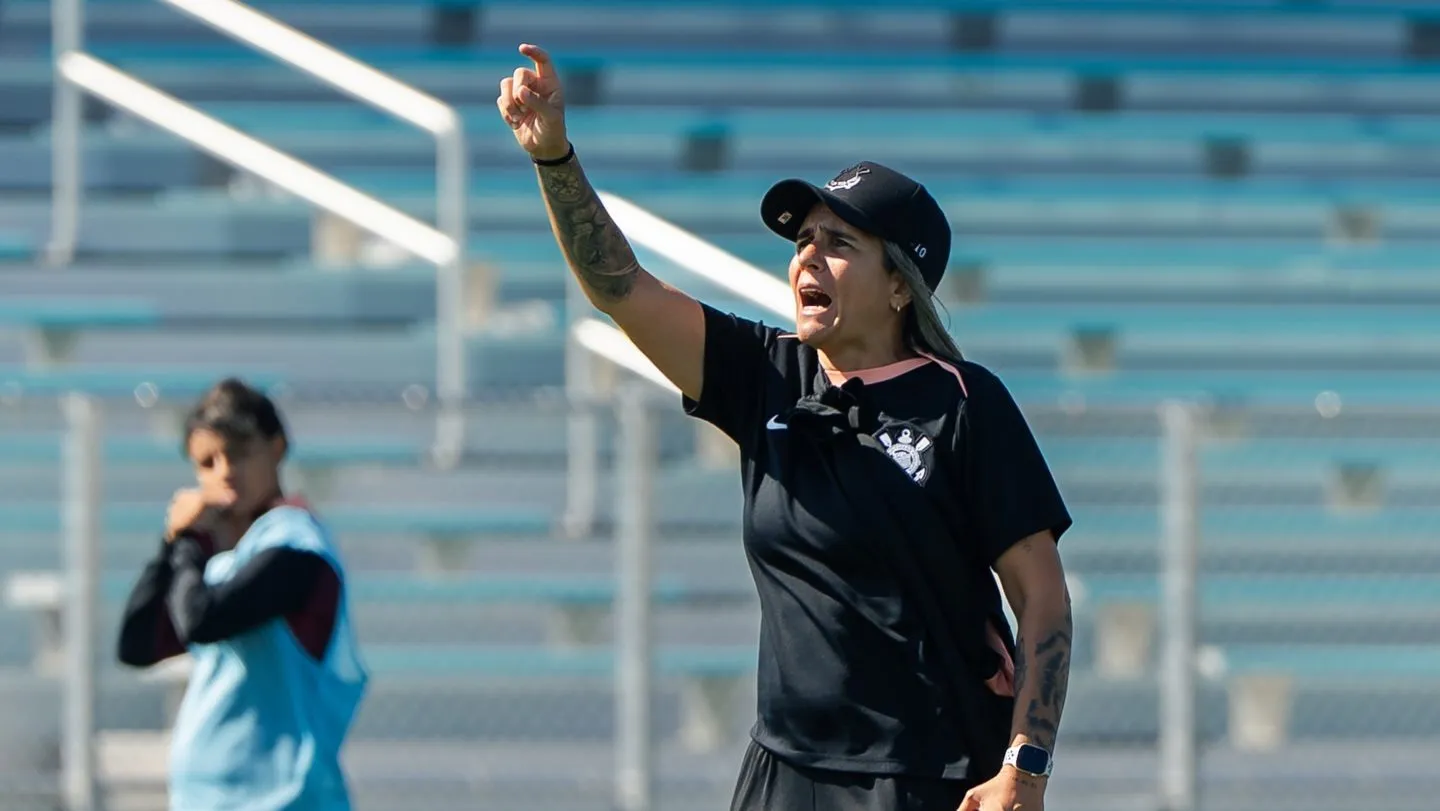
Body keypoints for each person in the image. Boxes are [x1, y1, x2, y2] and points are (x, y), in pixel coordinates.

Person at [498, 45, 1075, 811]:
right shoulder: (762, 372)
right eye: (804, 240)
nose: (810, 258)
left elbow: (1042, 599)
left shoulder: (965, 404)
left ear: (901, 286)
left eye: (841, 244)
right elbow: (621, 287)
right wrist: (554, 158)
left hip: (927, 774)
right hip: (783, 773)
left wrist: (1025, 766)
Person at [116, 378, 368, 811]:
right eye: (207, 462)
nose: (225, 472)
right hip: (208, 799)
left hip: (283, 798)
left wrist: (189, 544)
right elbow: (137, 644)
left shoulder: (297, 547)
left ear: (277, 448)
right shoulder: (224, 560)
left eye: (239, 452)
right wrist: (171, 544)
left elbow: (202, 619)